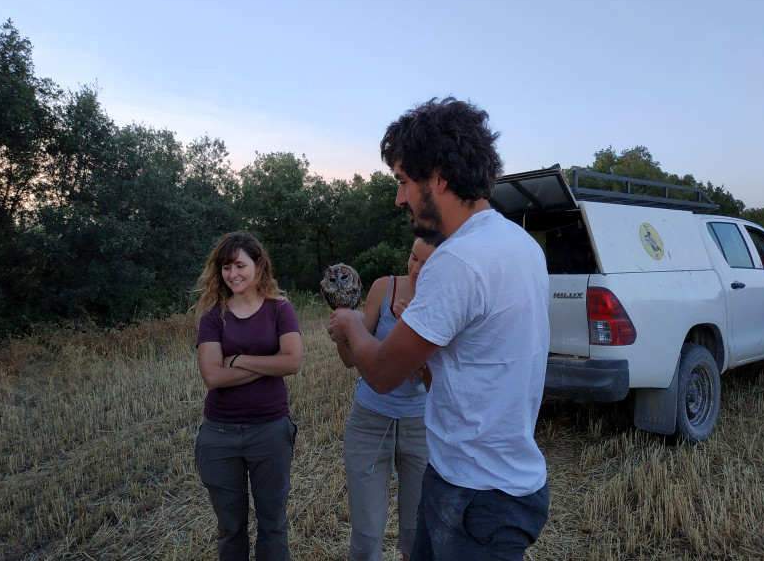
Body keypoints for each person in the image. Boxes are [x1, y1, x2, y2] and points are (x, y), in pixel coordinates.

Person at [327, 98, 550, 561]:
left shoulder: (457, 261)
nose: (399, 197)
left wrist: (351, 323)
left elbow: (384, 373)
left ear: (439, 178)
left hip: (474, 497)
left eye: (404, 182)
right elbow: (477, 367)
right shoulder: (521, 244)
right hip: (494, 483)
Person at [194, 231, 303, 561]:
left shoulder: (279, 310)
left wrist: (239, 360)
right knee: (230, 528)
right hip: (219, 435)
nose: (233, 274)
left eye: (240, 265)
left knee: (273, 525)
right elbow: (212, 376)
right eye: (226, 267)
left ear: (258, 266)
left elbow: (293, 362)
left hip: (270, 430)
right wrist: (272, 364)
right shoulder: (213, 315)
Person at [337, 235, 444, 561]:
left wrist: (415, 334)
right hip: (369, 421)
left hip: (420, 425)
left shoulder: (447, 301)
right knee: (367, 533)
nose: (416, 268)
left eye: (427, 263)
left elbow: (437, 385)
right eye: (414, 258)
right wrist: (344, 330)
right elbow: (350, 359)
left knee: (417, 531)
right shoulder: (385, 288)